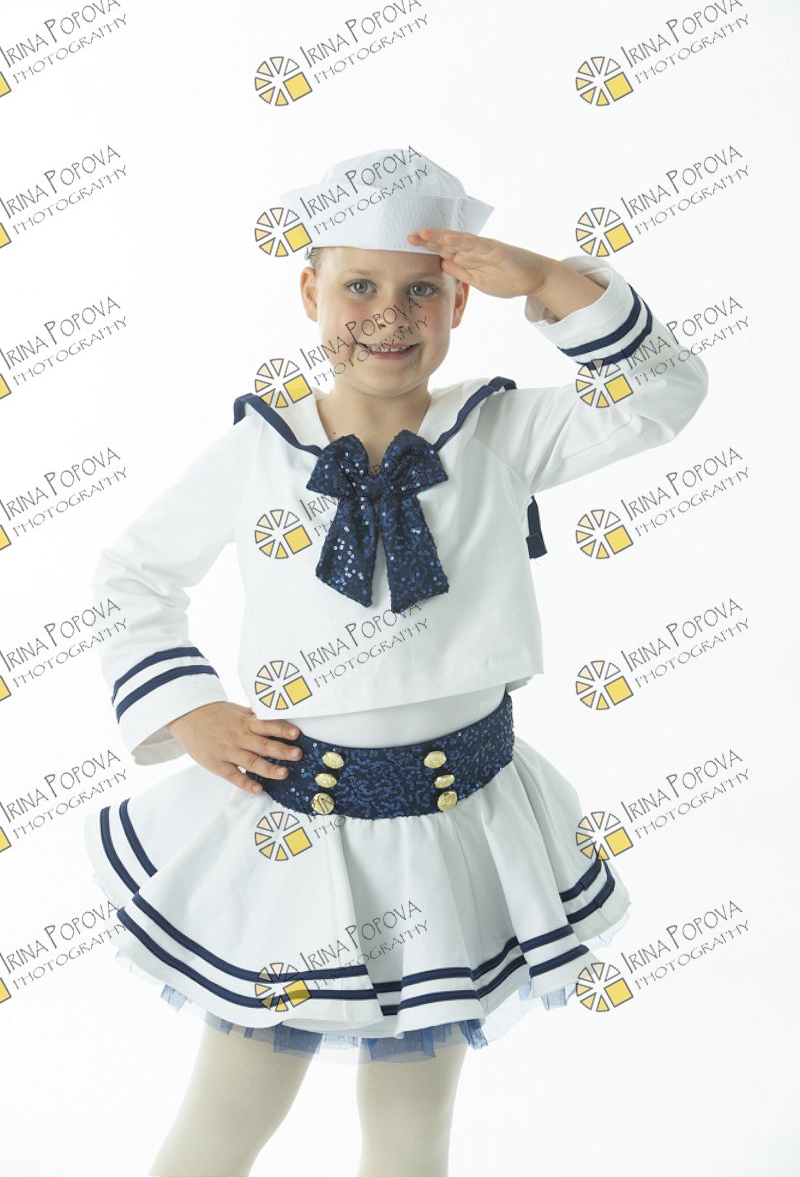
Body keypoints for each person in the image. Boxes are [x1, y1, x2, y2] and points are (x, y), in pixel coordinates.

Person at [83, 147, 709, 1177]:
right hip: (296, 831)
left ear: (460, 301)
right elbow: (133, 575)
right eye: (359, 288)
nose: (388, 316)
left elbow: (664, 392)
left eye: (421, 291)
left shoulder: (501, 430)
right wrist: (187, 708)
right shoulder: (257, 451)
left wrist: (547, 280)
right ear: (309, 295)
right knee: (229, 1113)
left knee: (413, 1129)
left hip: (456, 828)